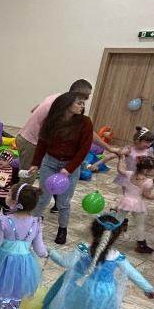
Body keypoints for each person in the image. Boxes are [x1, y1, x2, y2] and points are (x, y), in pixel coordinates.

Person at [29, 91, 94, 244]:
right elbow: (42, 143)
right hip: (50, 162)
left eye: (83, 103)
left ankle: (62, 229)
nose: (82, 106)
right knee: (43, 197)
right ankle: (30, 226)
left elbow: (84, 149)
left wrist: (69, 168)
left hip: (70, 166)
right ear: (67, 104)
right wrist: (35, 163)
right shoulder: (51, 121)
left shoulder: (85, 122)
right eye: (79, 103)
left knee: (64, 202)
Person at [16, 79, 93, 170]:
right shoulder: (58, 106)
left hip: (25, 137)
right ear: (76, 93)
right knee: (28, 175)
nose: (86, 99)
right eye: (86, 96)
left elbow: (34, 109)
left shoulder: (58, 98)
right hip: (30, 142)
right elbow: (43, 139)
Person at [115, 154, 154, 255]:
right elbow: (147, 196)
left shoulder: (130, 174)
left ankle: (108, 234)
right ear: (146, 170)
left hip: (125, 201)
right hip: (138, 205)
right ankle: (141, 245)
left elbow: (120, 170)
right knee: (140, 225)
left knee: (118, 219)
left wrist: (121, 158)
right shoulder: (148, 182)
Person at [0, 150, 29, 226]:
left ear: (9, 161)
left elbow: (22, 173)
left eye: (4, 160)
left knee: (8, 209)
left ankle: (8, 221)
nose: (1, 161)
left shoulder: (14, 171)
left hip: (7, 196)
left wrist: (29, 172)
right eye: (0, 159)